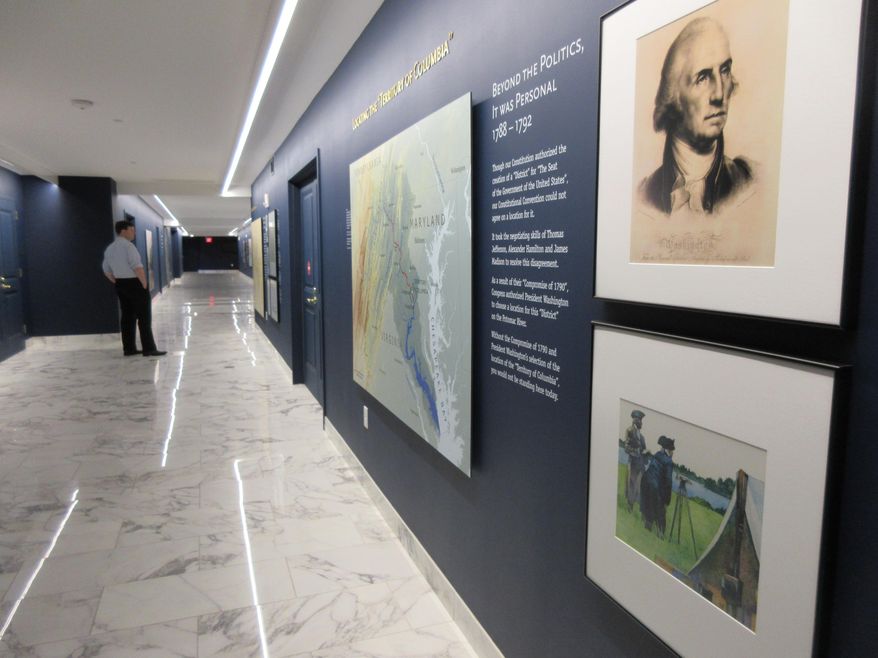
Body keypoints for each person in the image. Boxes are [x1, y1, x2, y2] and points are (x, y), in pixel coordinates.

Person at [640, 17, 753, 215]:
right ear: (673, 96)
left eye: (725, 70)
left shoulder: (748, 182)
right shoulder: (645, 196)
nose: (719, 94)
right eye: (703, 77)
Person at [102, 220, 166, 357]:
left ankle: (129, 348)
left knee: (127, 317)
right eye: (132, 230)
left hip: (120, 284)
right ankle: (149, 349)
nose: (134, 233)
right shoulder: (129, 247)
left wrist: (117, 281)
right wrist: (143, 284)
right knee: (144, 317)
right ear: (123, 231)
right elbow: (137, 267)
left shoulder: (110, 248)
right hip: (135, 284)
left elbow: (106, 270)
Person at [640, 435, 675, 537]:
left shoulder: (657, 454)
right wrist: (667, 499)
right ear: (668, 450)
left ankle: (648, 527)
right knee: (660, 510)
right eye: (672, 450)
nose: (673, 453)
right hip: (655, 486)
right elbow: (668, 481)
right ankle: (661, 534)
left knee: (649, 505)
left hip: (646, 482)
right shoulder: (669, 462)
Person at [624, 410, 647, 512]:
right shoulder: (629, 430)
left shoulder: (642, 437)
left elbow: (643, 449)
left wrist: (645, 452)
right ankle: (630, 506)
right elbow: (626, 448)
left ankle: (634, 504)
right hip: (633, 462)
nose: (641, 423)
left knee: (638, 486)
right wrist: (636, 451)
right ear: (635, 420)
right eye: (640, 420)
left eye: (641, 421)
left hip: (640, 464)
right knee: (631, 483)